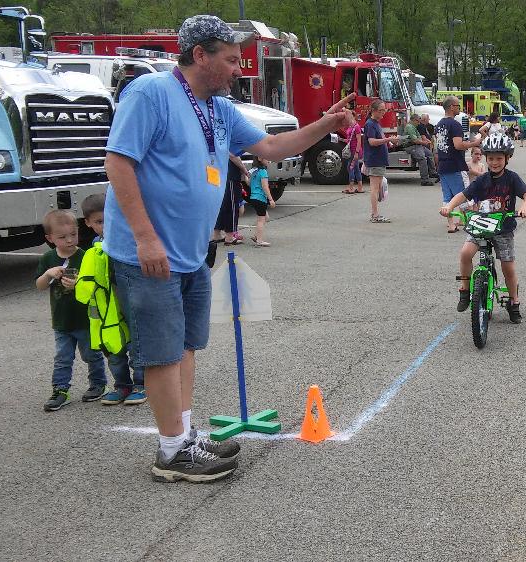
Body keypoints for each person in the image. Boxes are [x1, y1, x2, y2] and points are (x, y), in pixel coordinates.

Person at [103, 14, 356, 483]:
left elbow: (273, 147)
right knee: (161, 353)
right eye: (232, 59)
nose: (240, 68)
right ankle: (172, 453)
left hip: (191, 252)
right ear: (200, 55)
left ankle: (183, 436)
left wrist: (325, 123)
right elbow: (118, 163)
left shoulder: (218, 109)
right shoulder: (151, 93)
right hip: (150, 253)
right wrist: (144, 237)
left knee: (184, 347)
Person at [439, 134, 526, 323]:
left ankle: (514, 301)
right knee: (465, 253)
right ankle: (464, 289)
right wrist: (449, 206)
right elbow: (463, 195)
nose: (494, 162)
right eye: (491, 158)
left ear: (507, 158)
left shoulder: (512, 178)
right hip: (481, 225)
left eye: (499, 158)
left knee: (508, 267)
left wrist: (525, 206)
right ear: (485, 158)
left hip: (503, 229)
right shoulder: (482, 180)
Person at [77, 194, 147, 406]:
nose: (105, 226)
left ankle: (141, 383)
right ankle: (121, 385)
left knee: (136, 343)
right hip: (108, 308)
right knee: (113, 347)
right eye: (99, 222)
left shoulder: (127, 241)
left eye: (109, 219)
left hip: (130, 301)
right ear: (88, 223)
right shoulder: (94, 248)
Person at [35, 209, 107, 411]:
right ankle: (60, 390)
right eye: (62, 237)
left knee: (91, 354)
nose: (69, 240)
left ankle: (98, 384)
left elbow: (95, 284)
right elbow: (39, 285)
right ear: (50, 238)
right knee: (62, 357)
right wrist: (48, 274)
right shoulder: (48, 258)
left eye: (73, 234)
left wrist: (77, 285)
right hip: (62, 321)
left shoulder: (85, 256)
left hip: (85, 319)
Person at [436, 95, 482, 233]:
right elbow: (458, 145)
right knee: (463, 194)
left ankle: (451, 225)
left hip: (443, 165)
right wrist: (474, 143)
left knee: (447, 197)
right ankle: (469, 224)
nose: (459, 109)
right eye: (458, 106)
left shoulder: (439, 124)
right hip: (455, 164)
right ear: (451, 107)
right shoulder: (455, 124)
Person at [363, 99, 395, 223]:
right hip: (375, 160)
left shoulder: (375, 123)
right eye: (381, 110)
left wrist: (389, 141)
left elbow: (378, 140)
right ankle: (375, 215)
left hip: (378, 159)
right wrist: (387, 140)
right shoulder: (370, 124)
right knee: (375, 188)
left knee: (376, 188)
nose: (383, 112)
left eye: (384, 110)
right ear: (373, 110)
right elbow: (372, 142)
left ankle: (375, 214)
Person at [213, 154, 248, 245]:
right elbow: (233, 156)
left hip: (222, 175)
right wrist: (244, 170)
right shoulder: (231, 146)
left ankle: (217, 234)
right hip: (231, 177)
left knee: (222, 206)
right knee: (232, 207)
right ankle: (229, 236)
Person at [245, 156, 276, 245]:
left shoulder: (254, 170)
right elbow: (265, 187)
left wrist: (246, 176)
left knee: (265, 217)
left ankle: (256, 236)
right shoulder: (263, 171)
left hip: (253, 197)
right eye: (267, 158)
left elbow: (248, 183)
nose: (268, 160)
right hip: (260, 198)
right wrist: (271, 199)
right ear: (260, 159)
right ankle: (259, 240)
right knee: (261, 220)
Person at [403, 113, 435, 186]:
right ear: (414, 120)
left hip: (417, 145)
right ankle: (425, 180)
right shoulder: (410, 127)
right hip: (411, 146)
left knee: (429, 154)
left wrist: (425, 141)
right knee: (422, 158)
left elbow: (418, 138)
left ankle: (432, 173)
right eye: (418, 121)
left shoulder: (413, 127)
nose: (419, 123)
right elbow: (415, 140)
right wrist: (424, 142)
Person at [342, 119, 365, 194]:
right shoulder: (351, 127)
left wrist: (356, 153)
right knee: (356, 168)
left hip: (354, 151)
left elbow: (359, 141)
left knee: (350, 167)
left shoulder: (356, 127)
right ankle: (360, 187)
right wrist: (340, 139)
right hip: (352, 150)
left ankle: (351, 188)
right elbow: (349, 140)